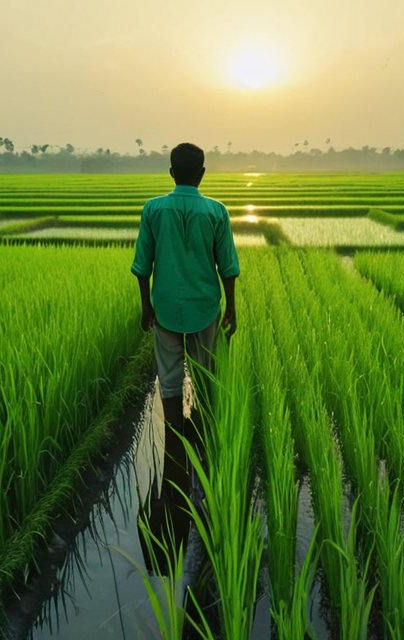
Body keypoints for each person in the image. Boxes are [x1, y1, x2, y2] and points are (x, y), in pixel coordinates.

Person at [131, 142, 239, 569]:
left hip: (166, 307)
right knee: (206, 374)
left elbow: (142, 265)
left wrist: (146, 307)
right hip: (204, 307)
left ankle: (174, 437)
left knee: (170, 376)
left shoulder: (153, 209)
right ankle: (203, 439)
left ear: (171, 172)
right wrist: (232, 308)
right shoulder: (216, 211)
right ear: (203, 173)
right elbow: (228, 266)